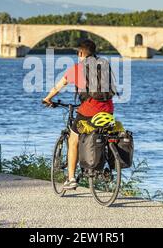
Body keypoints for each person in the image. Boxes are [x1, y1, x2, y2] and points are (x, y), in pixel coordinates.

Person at [43, 39, 115, 190]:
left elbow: (59, 85)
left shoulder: (77, 68)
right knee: (102, 134)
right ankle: (105, 168)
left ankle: (71, 179)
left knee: (73, 139)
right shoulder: (104, 66)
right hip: (108, 110)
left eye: (78, 53)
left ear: (81, 53)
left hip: (89, 110)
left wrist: (48, 98)